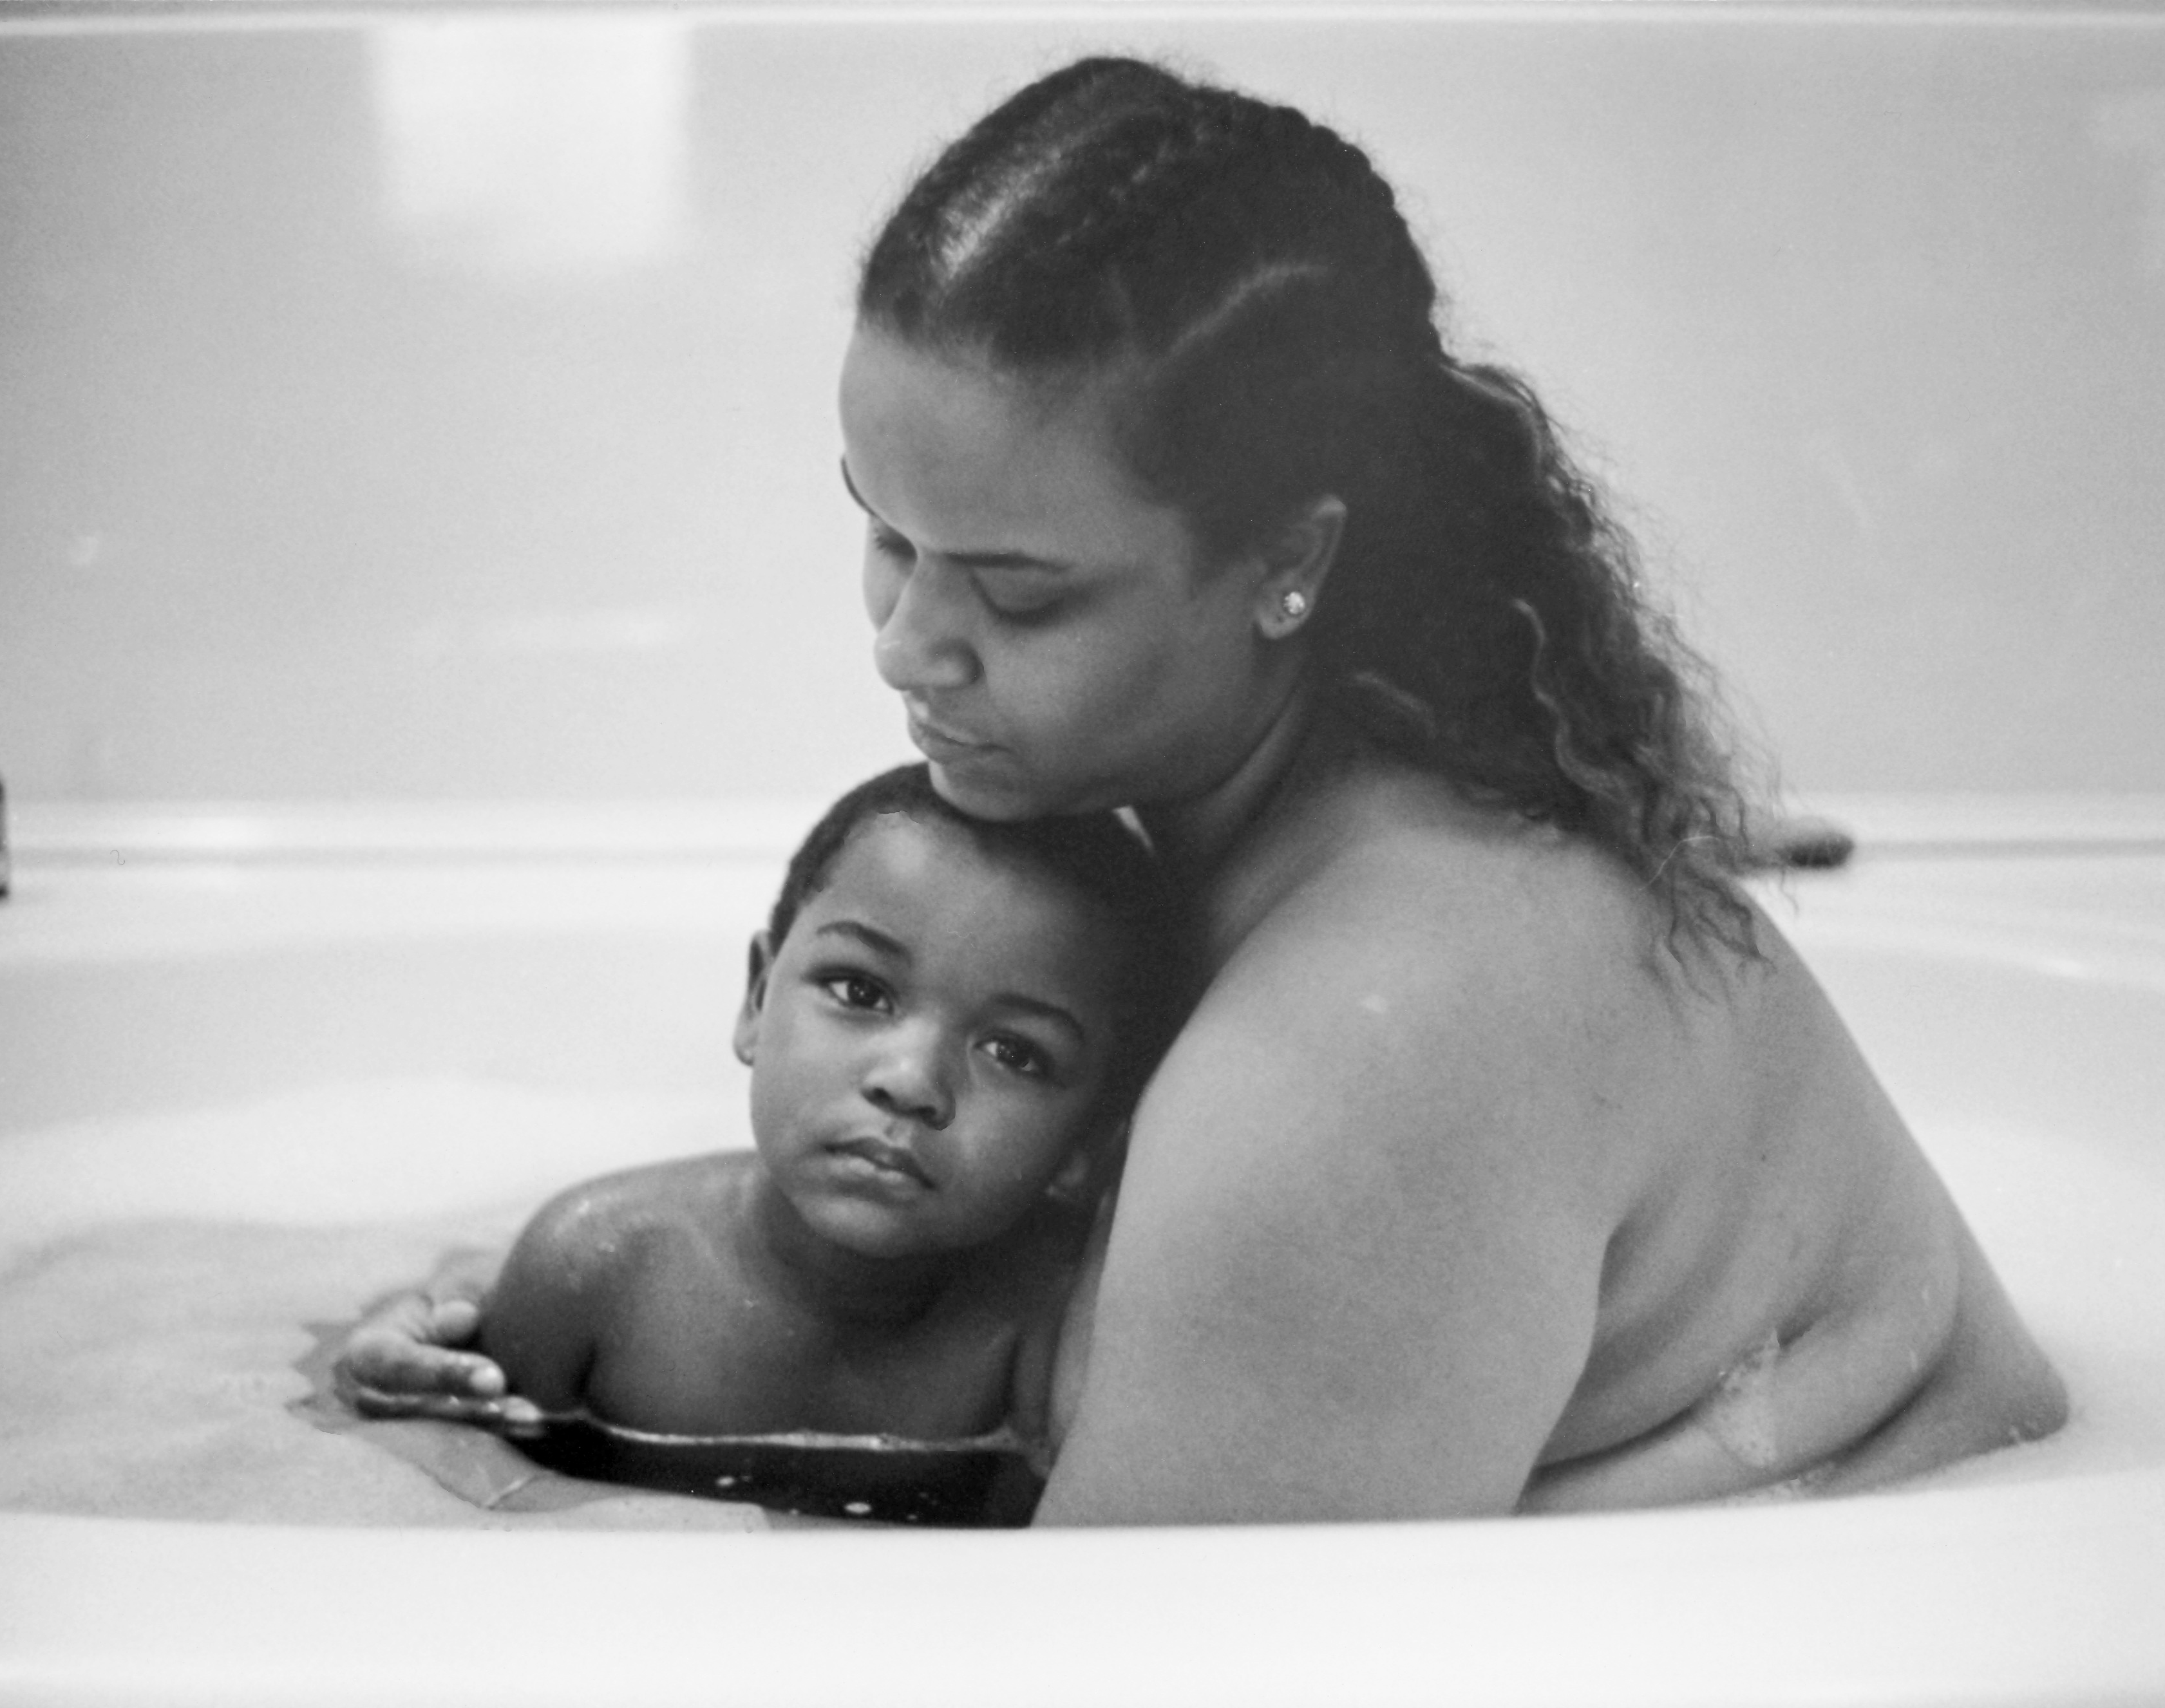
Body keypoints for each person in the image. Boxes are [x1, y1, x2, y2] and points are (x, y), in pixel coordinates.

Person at [342, 55, 2066, 1523]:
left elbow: (1123, 1674)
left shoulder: (1364, 1045)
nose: (907, 646)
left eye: (1019, 593)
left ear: (1285, 564)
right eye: (882, 531)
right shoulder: (1372, 801)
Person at [341, 764, 1181, 1517]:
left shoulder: (1049, 1320)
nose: (911, 1081)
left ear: (1090, 1136)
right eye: (859, 989)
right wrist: (383, 1363)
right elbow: (460, 1499)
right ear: (755, 1000)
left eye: (1015, 1052)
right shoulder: (602, 1267)